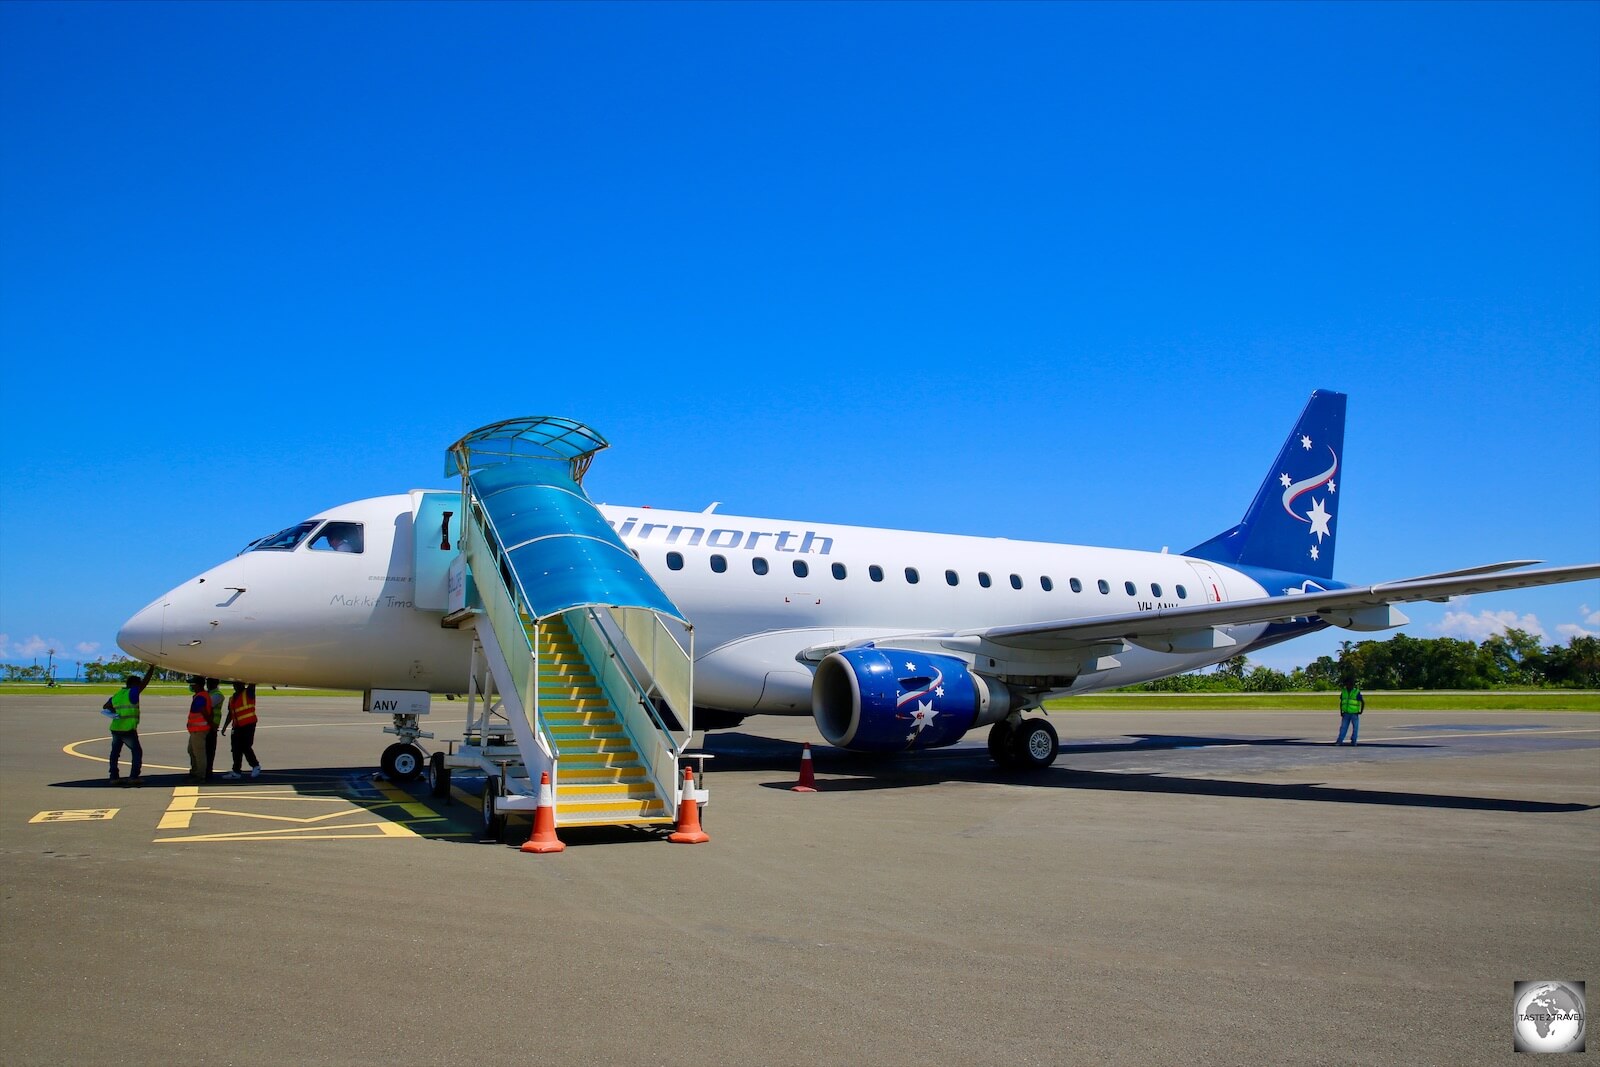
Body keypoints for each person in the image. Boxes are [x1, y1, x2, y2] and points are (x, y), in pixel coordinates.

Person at [103, 664, 156, 786]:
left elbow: (105, 706)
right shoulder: (133, 693)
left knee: (115, 753)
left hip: (116, 728)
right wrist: (151, 669)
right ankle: (133, 776)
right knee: (137, 752)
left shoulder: (118, 694)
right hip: (128, 729)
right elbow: (145, 683)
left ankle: (114, 777)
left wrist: (114, 712)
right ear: (134, 685)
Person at [220, 682, 261, 780]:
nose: (236, 686)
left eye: (238, 684)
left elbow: (252, 682)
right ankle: (236, 771)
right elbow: (230, 713)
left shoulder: (248, 693)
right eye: (235, 684)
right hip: (237, 726)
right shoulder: (232, 698)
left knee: (246, 746)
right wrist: (225, 726)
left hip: (248, 724)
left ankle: (255, 765)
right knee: (236, 749)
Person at [185, 678, 211, 783]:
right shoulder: (198, 696)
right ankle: (195, 771)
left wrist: (210, 723)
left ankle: (200, 776)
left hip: (199, 730)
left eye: (192, 684)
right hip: (195, 730)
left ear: (198, 685)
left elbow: (203, 711)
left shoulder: (201, 696)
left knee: (199, 753)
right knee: (191, 750)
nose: (191, 686)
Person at [204, 678, 225, 780]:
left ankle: (208, 771)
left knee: (209, 750)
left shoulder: (218, 695)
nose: (208, 684)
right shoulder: (207, 693)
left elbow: (207, 705)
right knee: (204, 750)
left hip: (212, 726)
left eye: (210, 682)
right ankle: (205, 770)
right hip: (205, 726)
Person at [1336, 676, 1365, 745]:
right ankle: (1340, 740)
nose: (1347, 686)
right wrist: (1341, 711)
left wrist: (1361, 711)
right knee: (1343, 728)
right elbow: (1342, 701)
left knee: (1355, 728)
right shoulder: (1344, 691)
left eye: (1349, 684)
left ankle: (1354, 741)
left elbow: (1362, 701)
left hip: (1354, 713)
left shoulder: (1356, 692)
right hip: (1346, 713)